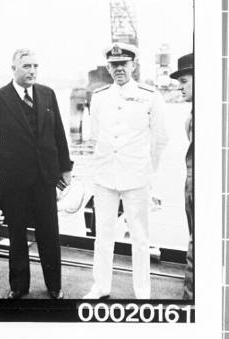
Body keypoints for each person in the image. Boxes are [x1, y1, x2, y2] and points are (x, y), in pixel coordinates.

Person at [0, 49, 73, 299]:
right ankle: (19, 286)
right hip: (14, 179)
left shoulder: (47, 94)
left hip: (45, 177)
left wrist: (66, 168)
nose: (32, 71)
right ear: (14, 68)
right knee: (17, 234)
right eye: (26, 66)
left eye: (35, 66)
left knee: (49, 233)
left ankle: (54, 285)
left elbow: (59, 134)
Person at [85, 43, 169, 299]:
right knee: (103, 235)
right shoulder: (99, 97)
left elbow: (160, 139)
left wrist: (147, 169)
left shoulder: (150, 96)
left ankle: (142, 291)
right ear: (108, 68)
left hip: (137, 176)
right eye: (114, 65)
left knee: (140, 238)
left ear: (133, 65)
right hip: (105, 176)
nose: (118, 69)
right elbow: (97, 135)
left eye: (123, 64)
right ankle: (100, 286)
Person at [170, 53, 194, 300]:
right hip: (191, 187)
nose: (180, 87)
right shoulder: (190, 117)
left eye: (185, 81)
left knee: (195, 246)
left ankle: (190, 300)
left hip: (198, 188)